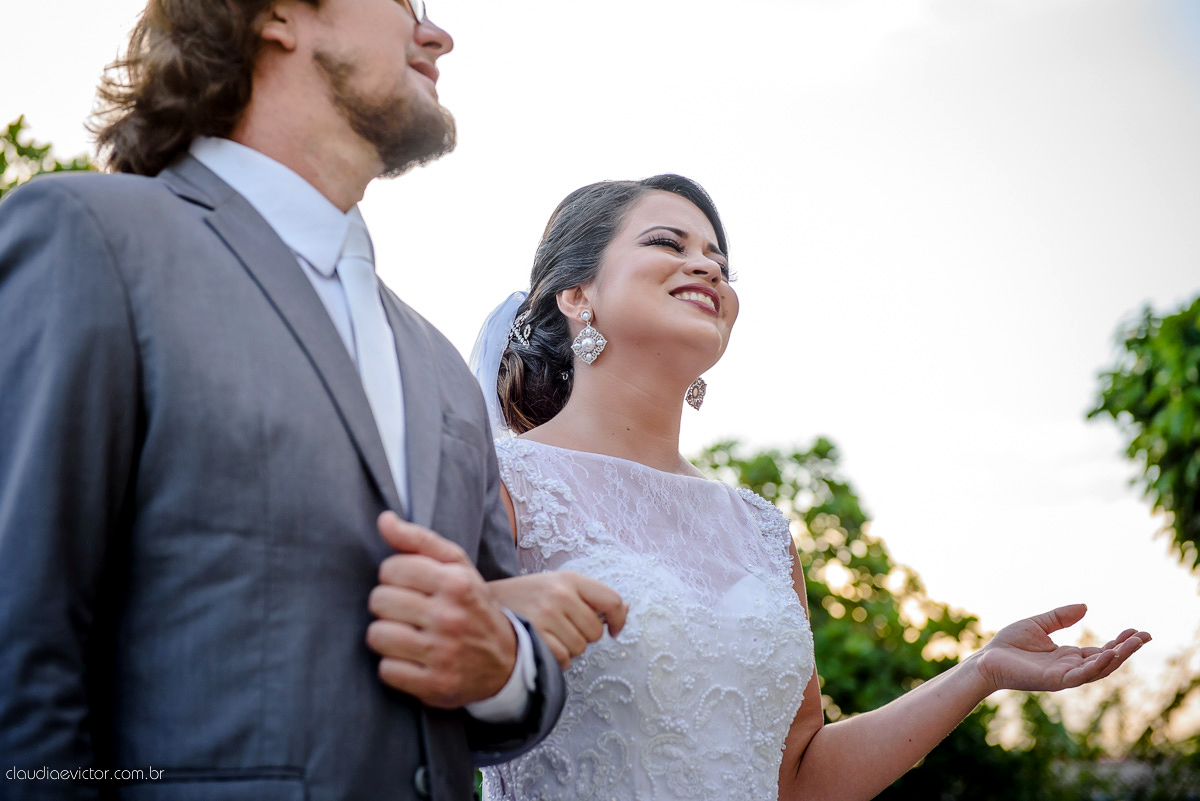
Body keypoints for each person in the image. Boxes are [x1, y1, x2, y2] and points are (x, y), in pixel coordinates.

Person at [0, 1, 591, 799]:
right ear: (276, 15)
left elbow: (490, 628)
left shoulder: (442, 363)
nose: (438, 33)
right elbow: (19, 654)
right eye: (405, 2)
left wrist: (505, 667)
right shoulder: (90, 237)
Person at [469, 174, 1153, 801]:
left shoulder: (760, 530)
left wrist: (980, 671)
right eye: (666, 242)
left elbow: (800, 775)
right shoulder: (503, 483)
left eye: (719, 259)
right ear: (576, 293)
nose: (707, 264)